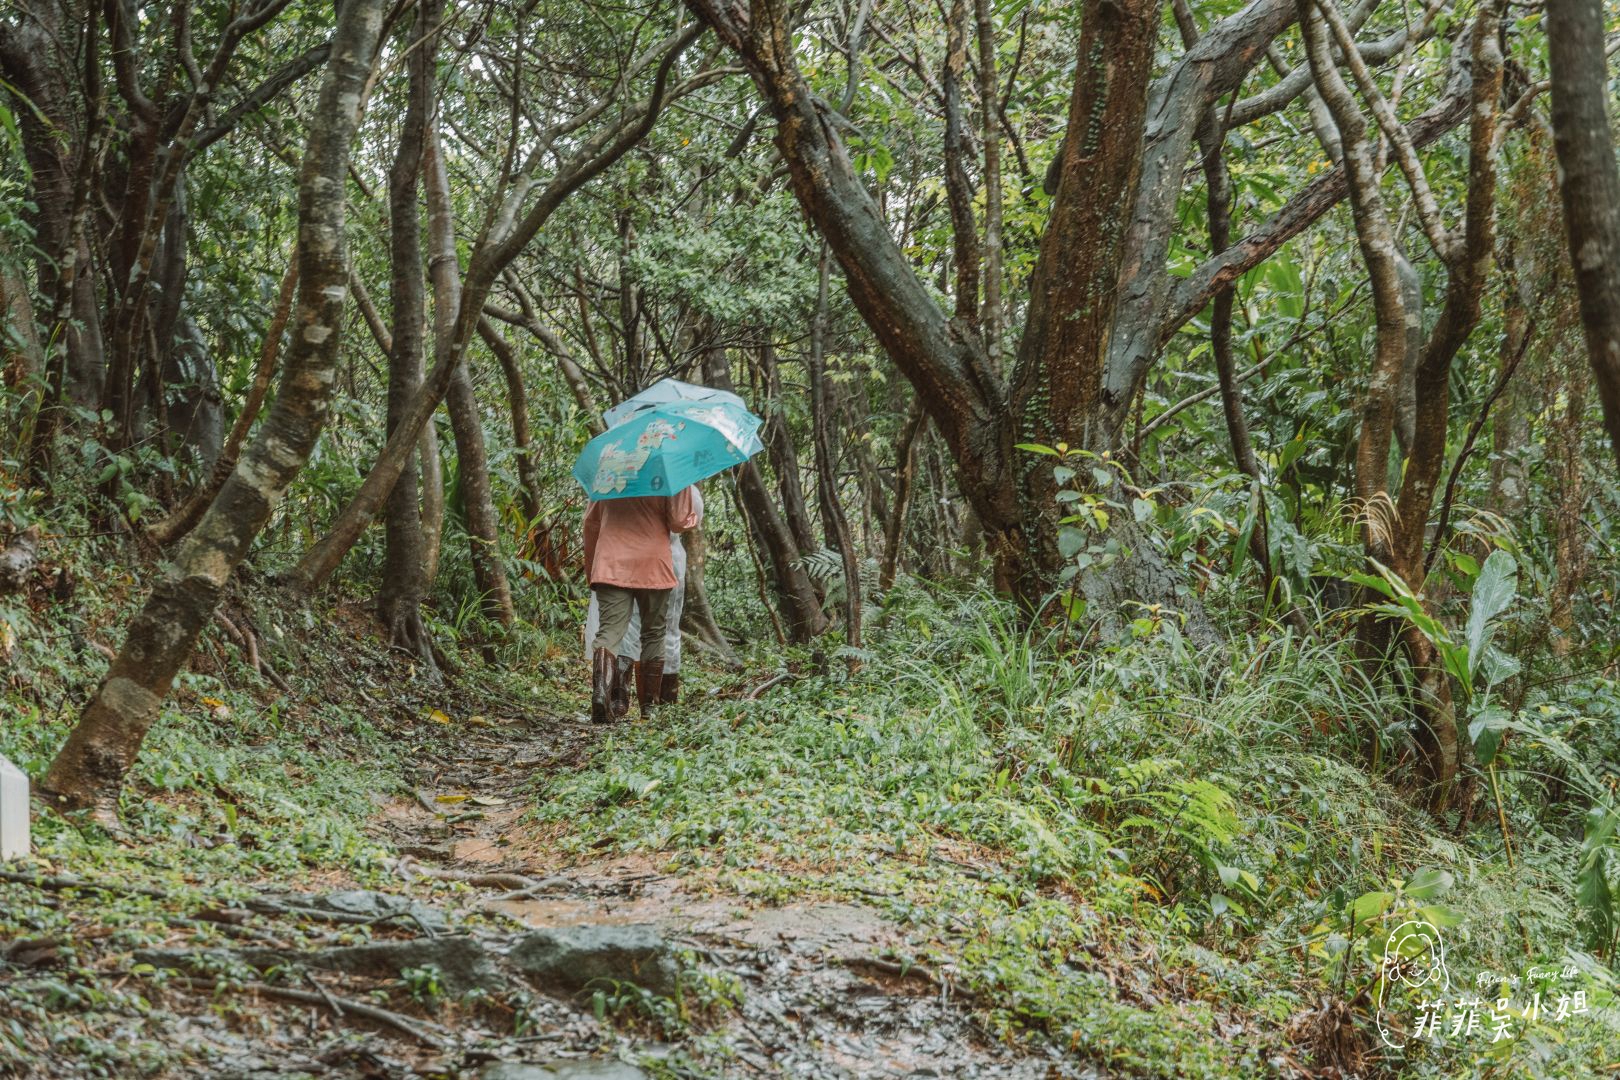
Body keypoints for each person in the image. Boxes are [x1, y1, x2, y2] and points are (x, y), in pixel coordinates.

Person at [582, 485, 702, 722]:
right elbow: (678, 521)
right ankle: (649, 708)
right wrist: (692, 516)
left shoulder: (610, 470)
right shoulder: (666, 473)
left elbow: (591, 523)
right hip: (653, 564)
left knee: (609, 632)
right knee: (654, 634)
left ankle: (601, 694)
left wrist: (591, 569)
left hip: (611, 563)